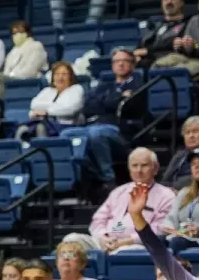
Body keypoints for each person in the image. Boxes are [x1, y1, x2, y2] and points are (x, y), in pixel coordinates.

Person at [59, 47, 145, 186]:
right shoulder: (105, 84)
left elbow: (130, 106)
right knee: (66, 133)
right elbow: (88, 106)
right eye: (117, 61)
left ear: (132, 64)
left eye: (125, 61)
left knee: (96, 133)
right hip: (93, 126)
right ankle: (88, 170)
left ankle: (108, 178)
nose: (120, 64)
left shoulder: (138, 83)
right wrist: (118, 97)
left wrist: (106, 101)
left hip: (121, 131)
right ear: (112, 65)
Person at [86, 148, 175, 253]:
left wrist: (126, 242)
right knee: (72, 240)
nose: (139, 170)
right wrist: (103, 237)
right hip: (106, 241)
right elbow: (97, 220)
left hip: (137, 244)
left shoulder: (166, 196)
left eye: (144, 165)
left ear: (155, 168)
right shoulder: (118, 192)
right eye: (134, 166)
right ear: (129, 169)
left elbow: (160, 230)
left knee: (123, 252)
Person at [20, 61, 83, 139]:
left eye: (64, 74)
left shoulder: (76, 89)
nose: (60, 78)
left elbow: (69, 110)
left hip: (65, 125)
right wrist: (54, 107)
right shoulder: (48, 90)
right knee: (23, 129)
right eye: (57, 74)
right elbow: (34, 105)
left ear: (70, 77)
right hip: (44, 123)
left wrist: (46, 112)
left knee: (40, 127)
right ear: (53, 77)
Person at [161, 147, 199, 252]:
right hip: (180, 236)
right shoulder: (184, 193)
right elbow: (171, 218)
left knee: (177, 242)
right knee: (158, 241)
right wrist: (170, 228)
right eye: (193, 164)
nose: (196, 166)